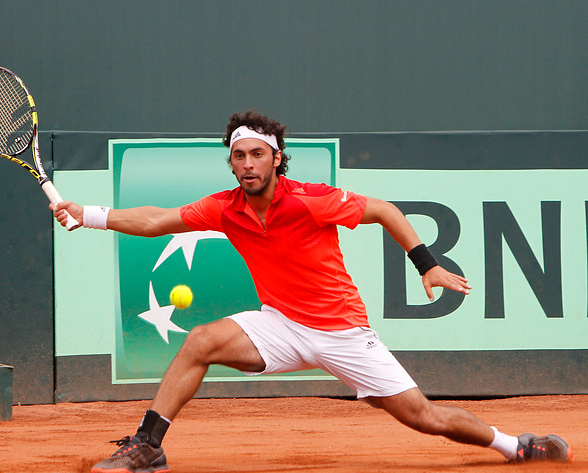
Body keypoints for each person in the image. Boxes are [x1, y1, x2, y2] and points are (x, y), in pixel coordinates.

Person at [52, 110, 572, 473]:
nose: (249, 164)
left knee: (424, 417)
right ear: (231, 163)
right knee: (200, 340)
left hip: (342, 331)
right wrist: (90, 215)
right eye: (240, 156)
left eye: (259, 154)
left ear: (277, 159)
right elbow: (157, 220)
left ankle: (514, 447)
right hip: (280, 323)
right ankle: (148, 447)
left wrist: (427, 266)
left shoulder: (311, 201)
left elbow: (384, 211)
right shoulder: (225, 206)